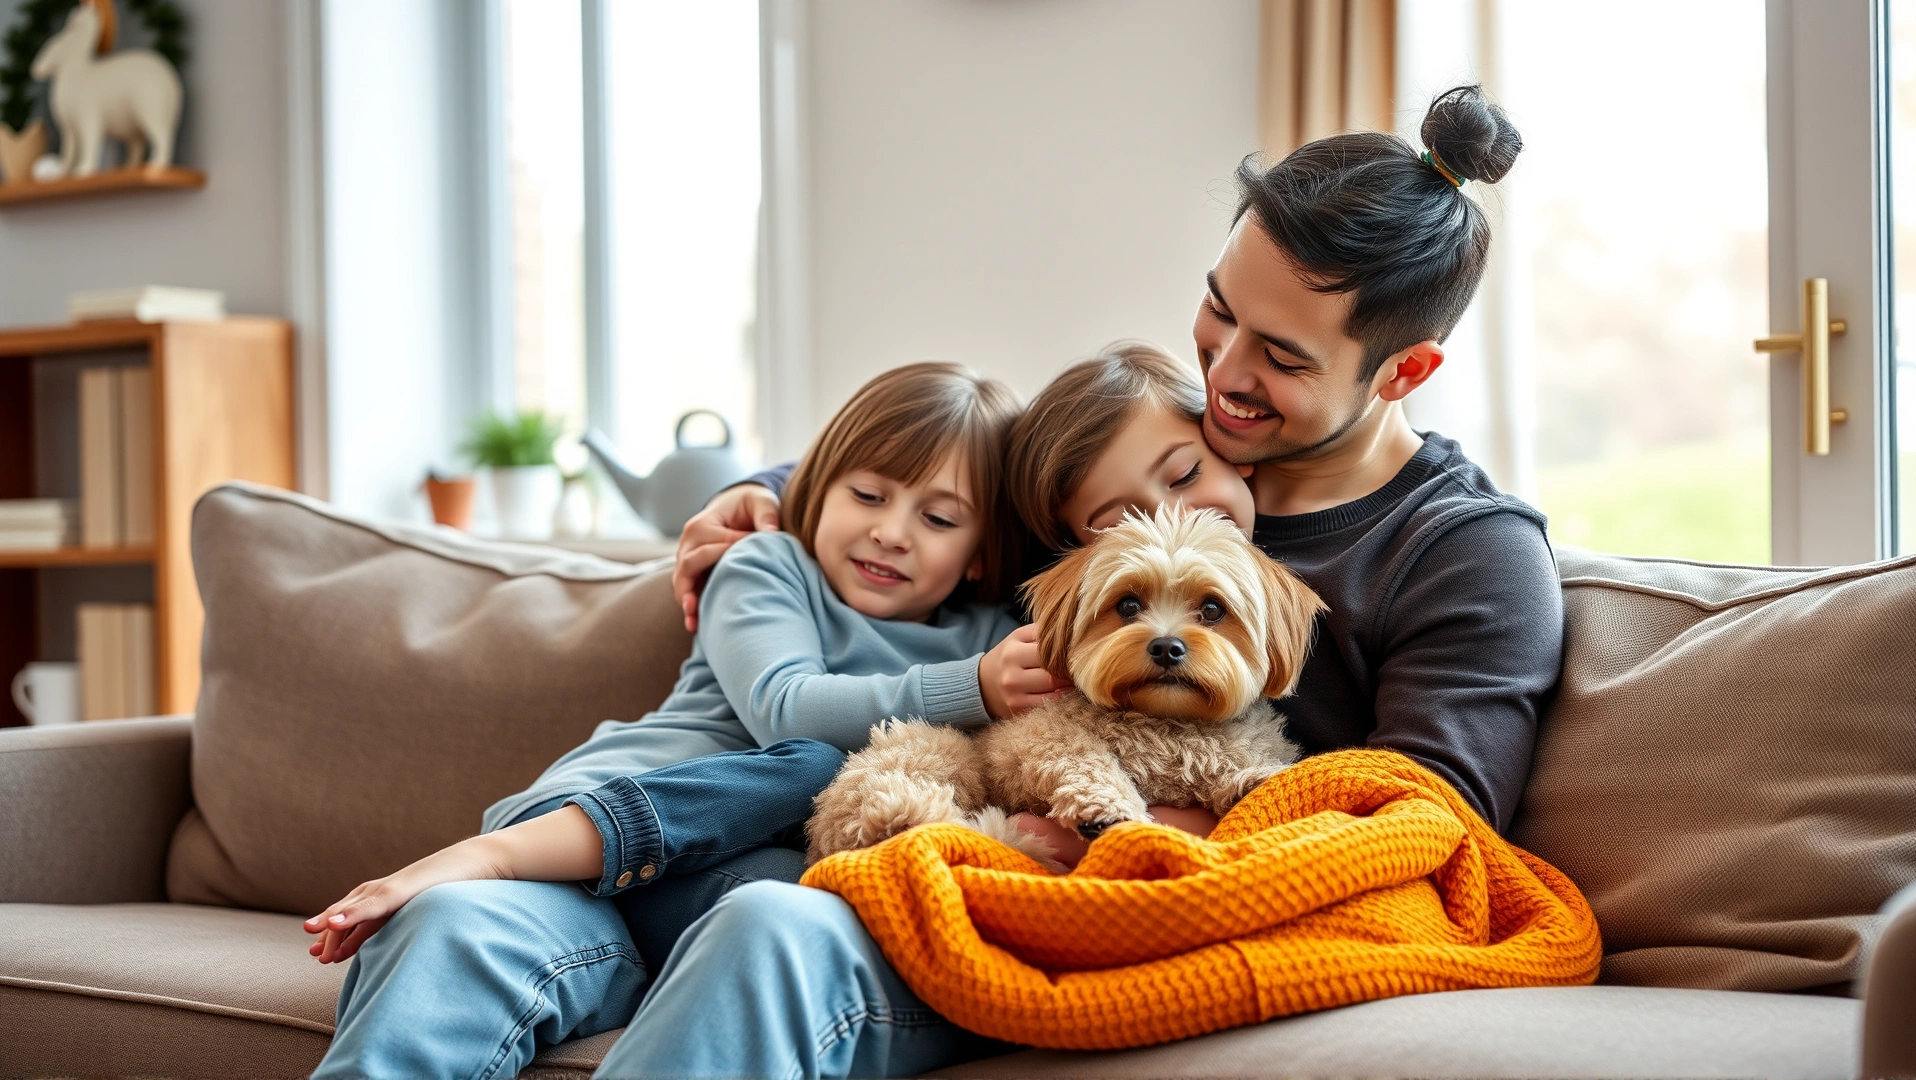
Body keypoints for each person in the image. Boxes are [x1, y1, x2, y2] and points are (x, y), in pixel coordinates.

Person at [635, 85, 1563, 1078]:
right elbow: (960, 468)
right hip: (979, 855)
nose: (1224, 373)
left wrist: (1138, 834)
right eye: (1218, 310)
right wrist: (764, 493)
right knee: (762, 917)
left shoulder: (1467, 555)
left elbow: (1426, 824)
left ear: (1404, 371)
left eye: (1282, 356)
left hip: (1171, 915)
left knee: (773, 934)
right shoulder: (1160, 447)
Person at [305, 362, 1053, 1080]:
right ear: (817, 489)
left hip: (731, 885)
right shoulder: (769, 565)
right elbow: (784, 708)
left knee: (775, 911)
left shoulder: (999, 635)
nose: (892, 531)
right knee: (453, 932)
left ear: (983, 552)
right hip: (583, 841)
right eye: (866, 494)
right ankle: (485, 863)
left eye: (938, 517)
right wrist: (975, 688)